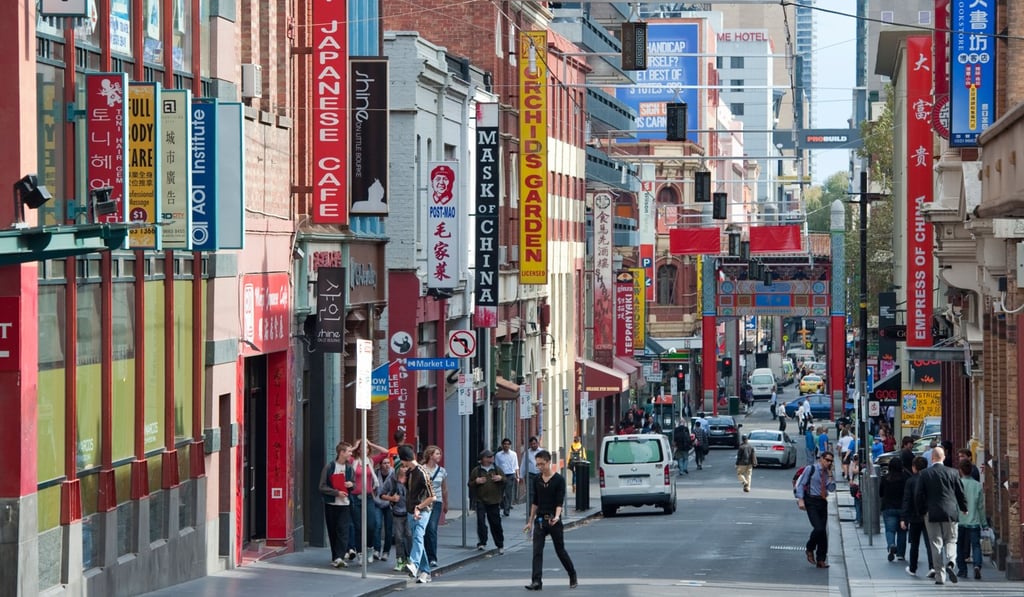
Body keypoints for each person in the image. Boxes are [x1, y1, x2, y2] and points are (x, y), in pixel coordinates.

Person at [522, 450, 578, 591]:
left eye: (541, 464)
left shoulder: (559, 480)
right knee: (537, 551)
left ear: (548, 462)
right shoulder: (537, 480)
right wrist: (530, 521)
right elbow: (535, 502)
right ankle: (536, 581)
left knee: (560, 550)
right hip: (540, 521)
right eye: (537, 464)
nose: (539, 467)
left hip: (553, 519)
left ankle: (572, 574)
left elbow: (559, 502)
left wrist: (557, 516)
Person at [914, 446, 968, 585]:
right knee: (951, 540)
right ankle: (950, 562)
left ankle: (940, 576)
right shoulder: (953, 472)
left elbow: (919, 494)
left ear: (932, 458)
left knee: (935, 544)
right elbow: (960, 492)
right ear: (943, 457)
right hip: (950, 512)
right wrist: (964, 508)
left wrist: (922, 511)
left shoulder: (925, 474)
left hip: (931, 513)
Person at [399, 444, 436, 584]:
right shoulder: (410, 472)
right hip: (411, 511)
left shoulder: (422, 472)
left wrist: (419, 507)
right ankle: (425, 571)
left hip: (422, 511)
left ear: (404, 459)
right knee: (417, 540)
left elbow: (433, 497)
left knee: (418, 536)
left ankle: (414, 564)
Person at [795, 451, 837, 568]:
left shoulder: (827, 473)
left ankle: (821, 559)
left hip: (822, 501)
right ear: (821, 459)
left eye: (831, 461)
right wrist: (800, 499)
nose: (829, 463)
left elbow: (832, 488)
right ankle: (809, 548)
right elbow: (801, 484)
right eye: (827, 460)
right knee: (818, 528)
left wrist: (830, 475)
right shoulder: (811, 469)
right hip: (811, 501)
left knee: (823, 531)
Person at [349, 439, 387, 563]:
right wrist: (354, 446)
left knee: (371, 525)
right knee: (358, 527)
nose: (364, 448)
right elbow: (346, 455)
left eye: (366, 447)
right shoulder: (353, 461)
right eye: (362, 447)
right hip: (355, 497)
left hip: (369, 497)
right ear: (359, 449)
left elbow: (385, 453)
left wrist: (371, 444)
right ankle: (360, 553)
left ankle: (370, 549)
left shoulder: (371, 461)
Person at [319, 441, 355, 568]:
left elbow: (354, 483)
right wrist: (336, 493)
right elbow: (322, 486)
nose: (351, 453)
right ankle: (335, 556)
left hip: (345, 504)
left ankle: (340, 556)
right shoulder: (329, 467)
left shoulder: (350, 468)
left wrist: (351, 485)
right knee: (333, 530)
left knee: (343, 531)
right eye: (349, 451)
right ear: (342, 452)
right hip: (331, 504)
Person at [901, 456, 934, 578]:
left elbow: (907, 500)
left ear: (914, 467)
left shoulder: (910, 481)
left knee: (914, 543)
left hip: (915, 516)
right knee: (930, 543)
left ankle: (913, 567)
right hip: (928, 515)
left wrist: (904, 518)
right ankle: (933, 566)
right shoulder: (930, 479)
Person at [468, 449, 505, 553]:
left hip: (494, 501)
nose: (491, 458)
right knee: (481, 521)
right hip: (481, 500)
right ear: (483, 459)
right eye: (488, 457)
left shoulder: (497, 469)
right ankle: (482, 542)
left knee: (495, 523)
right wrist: (476, 481)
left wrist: (500, 478)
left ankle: (500, 544)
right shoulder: (477, 471)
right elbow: (470, 484)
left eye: (492, 457)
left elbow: (505, 481)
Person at [955, 458, 986, 580]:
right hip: (974, 521)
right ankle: (977, 565)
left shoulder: (957, 484)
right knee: (976, 545)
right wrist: (984, 523)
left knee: (960, 546)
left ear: (960, 470)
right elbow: (981, 507)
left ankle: (962, 570)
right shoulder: (977, 485)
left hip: (960, 521)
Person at [420, 445, 448, 568]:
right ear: (430, 455)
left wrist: (446, 503)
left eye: (440, 454)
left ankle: (432, 557)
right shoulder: (421, 469)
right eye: (437, 454)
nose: (439, 456)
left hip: (437, 501)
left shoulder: (441, 471)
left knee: (432, 527)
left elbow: (444, 488)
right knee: (423, 528)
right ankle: (424, 554)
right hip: (424, 501)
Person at [380, 458, 410, 572]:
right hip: (397, 512)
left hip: (410, 512)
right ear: (398, 468)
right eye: (402, 467)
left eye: (406, 467)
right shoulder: (392, 480)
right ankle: (400, 560)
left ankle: (410, 559)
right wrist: (391, 498)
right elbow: (382, 494)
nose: (405, 469)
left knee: (410, 536)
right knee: (399, 537)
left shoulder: (411, 479)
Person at [879, 458, 909, 562]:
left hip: (888, 507)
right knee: (902, 531)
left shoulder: (885, 478)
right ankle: (900, 554)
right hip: (903, 508)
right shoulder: (906, 478)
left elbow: (880, 493)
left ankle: (891, 544)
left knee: (890, 530)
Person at [373, 456, 395, 561]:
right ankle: (377, 549)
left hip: (389, 503)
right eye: (384, 463)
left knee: (388, 528)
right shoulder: (376, 473)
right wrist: (373, 497)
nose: (387, 465)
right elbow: (372, 486)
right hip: (377, 502)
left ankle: (386, 551)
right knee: (377, 525)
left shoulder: (393, 474)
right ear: (380, 465)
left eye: (388, 463)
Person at [495, 438, 520, 516]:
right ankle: (498, 508)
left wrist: (517, 476)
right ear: (502, 445)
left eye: (508, 444)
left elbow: (516, 465)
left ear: (510, 445)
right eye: (505, 444)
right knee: (499, 493)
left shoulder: (514, 454)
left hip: (510, 475)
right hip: (501, 475)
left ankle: (507, 510)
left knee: (508, 493)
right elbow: (496, 466)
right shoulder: (498, 455)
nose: (506, 445)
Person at [521, 436, 541, 509]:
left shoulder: (542, 452)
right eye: (531, 444)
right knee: (530, 493)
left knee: (539, 492)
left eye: (534, 443)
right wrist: (521, 476)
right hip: (530, 475)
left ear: (537, 443)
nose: (533, 445)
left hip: (540, 475)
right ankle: (530, 511)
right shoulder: (527, 453)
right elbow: (523, 464)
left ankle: (539, 510)